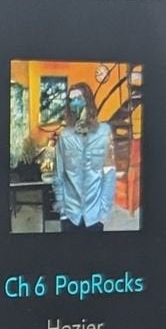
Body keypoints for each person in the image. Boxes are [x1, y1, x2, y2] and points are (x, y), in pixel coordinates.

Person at [51, 85, 116, 232]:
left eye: (79, 98)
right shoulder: (65, 136)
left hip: (95, 216)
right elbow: (58, 175)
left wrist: (103, 212)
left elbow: (109, 174)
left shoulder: (104, 132)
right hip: (70, 215)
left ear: (88, 101)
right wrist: (62, 210)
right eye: (71, 100)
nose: (75, 103)